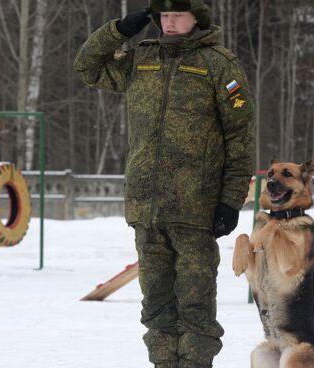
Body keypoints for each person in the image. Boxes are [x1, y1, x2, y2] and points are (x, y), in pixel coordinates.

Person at [74, 1, 255, 367]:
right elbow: (87, 67)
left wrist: (230, 201)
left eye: (178, 16)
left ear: (197, 18)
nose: (170, 24)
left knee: (195, 309)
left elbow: (241, 136)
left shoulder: (219, 64)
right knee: (156, 310)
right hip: (146, 208)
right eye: (164, 16)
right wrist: (120, 31)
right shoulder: (142, 59)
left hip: (196, 209)